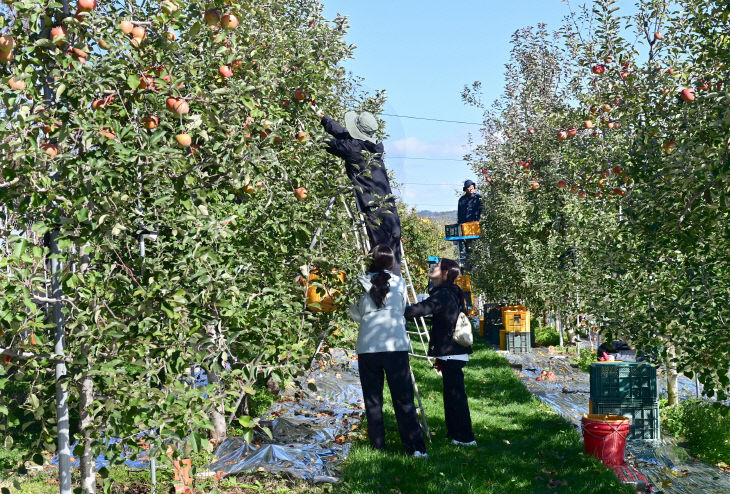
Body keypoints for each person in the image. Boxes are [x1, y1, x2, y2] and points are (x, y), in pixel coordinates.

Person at [349, 244, 427, 457]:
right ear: (391, 262)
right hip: (395, 346)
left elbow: (355, 315)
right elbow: (401, 310)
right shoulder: (400, 283)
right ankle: (415, 448)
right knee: (403, 399)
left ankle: (378, 446)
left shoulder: (359, 284)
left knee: (373, 399)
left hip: (368, 347)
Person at [313, 105, 403, 275]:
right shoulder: (373, 146)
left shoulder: (353, 148)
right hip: (390, 212)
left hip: (375, 212)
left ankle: (380, 296)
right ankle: (395, 296)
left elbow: (330, 142)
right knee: (393, 261)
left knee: (381, 260)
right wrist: (323, 118)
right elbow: (345, 135)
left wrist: (304, 136)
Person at [404, 258, 476, 446]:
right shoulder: (449, 291)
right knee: (452, 394)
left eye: (437, 266)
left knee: (456, 396)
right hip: (452, 351)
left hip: (451, 350)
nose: (433, 268)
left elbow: (423, 309)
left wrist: (397, 310)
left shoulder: (443, 294)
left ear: (445, 273)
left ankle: (466, 437)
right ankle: (455, 434)